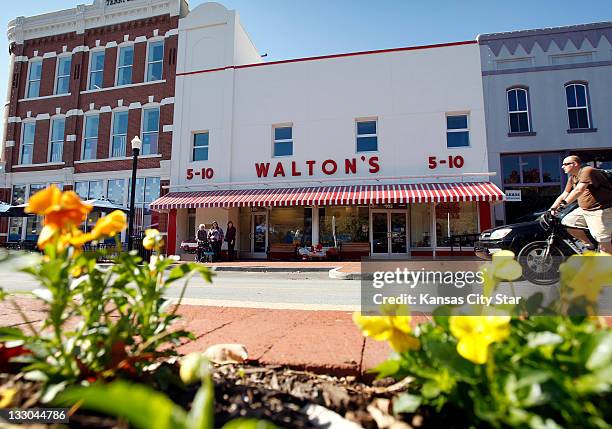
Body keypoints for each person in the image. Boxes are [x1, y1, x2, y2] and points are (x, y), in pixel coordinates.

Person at [550, 155, 612, 254]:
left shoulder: (587, 171)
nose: (562, 167)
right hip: (585, 210)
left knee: (603, 241)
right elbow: (564, 194)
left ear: (574, 164)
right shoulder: (572, 178)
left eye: (565, 164)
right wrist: (552, 209)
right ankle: (590, 246)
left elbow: (579, 190)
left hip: (600, 210)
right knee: (568, 221)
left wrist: (563, 205)